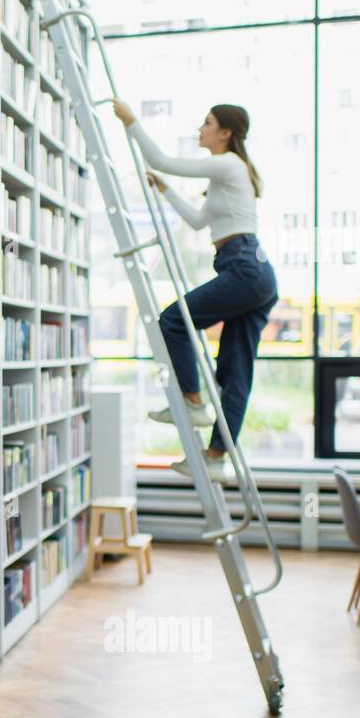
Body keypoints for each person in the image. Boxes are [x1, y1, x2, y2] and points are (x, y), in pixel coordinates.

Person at [112, 100, 278, 483]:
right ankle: (216, 457)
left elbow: (164, 159)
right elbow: (199, 220)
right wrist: (166, 190)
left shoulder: (228, 164)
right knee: (234, 375)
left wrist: (131, 121)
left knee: (173, 319)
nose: (199, 128)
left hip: (245, 267)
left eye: (207, 123)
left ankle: (192, 402)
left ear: (226, 133)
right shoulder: (227, 175)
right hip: (251, 270)